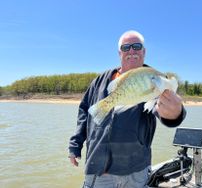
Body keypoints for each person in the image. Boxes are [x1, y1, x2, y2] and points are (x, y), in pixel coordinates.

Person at [68, 30, 186, 188]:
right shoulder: (99, 81)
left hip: (136, 171)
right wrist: (75, 145)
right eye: (126, 47)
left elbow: (164, 112)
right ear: (119, 53)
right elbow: (84, 112)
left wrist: (175, 113)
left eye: (137, 46)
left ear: (144, 52)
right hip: (98, 168)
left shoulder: (154, 79)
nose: (131, 51)